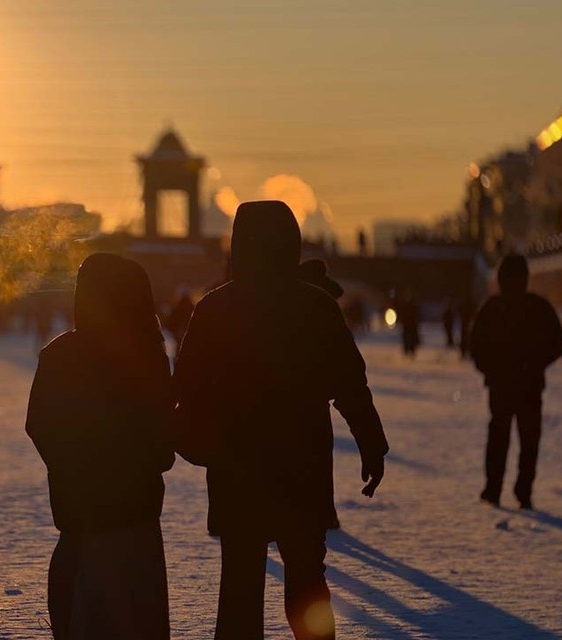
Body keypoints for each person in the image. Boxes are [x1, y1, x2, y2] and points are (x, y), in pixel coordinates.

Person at [174, 201, 388, 640]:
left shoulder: (214, 310)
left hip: (237, 471)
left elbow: (186, 389)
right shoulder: (316, 307)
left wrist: (191, 441)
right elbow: (350, 383)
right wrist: (371, 442)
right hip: (302, 468)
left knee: (240, 588)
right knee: (308, 583)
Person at [27, 253, 174, 640]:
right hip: (135, 519)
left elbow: (39, 425)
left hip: (79, 518)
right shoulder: (147, 355)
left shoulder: (59, 356)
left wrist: (71, 467)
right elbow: (161, 435)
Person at [470, 254, 562, 510]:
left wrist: (492, 370)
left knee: (500, 439)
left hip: (505, 387)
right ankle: (522, 492)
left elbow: (475, 346)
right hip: (528, 386)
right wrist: (533, 365)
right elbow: (558, 344)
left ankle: (494, 490)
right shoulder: (537, 307)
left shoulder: (492, 308)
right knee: (527, 441)